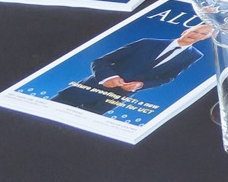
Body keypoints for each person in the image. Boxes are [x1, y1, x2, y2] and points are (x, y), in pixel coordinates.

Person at [50, 22, 212, 115]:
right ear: (186, 30)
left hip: (112, 100)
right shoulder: (148, 42)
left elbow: (168, 77)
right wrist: (108, 78)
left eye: (202, 34)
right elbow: (101, 61)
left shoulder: (194, 56)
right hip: (85, 90)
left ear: (206, 38)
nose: (196, 34)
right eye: (195, 30)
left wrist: (141, 85)